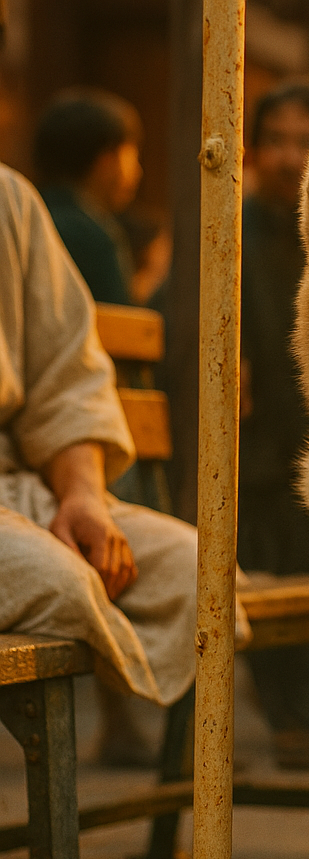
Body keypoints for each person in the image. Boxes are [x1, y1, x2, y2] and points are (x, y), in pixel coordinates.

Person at [0, 163, 238, 747]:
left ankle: (148, 763)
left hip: (20, 485)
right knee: (59, 580)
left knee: (200, 572)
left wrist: (83, 497)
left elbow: (66, 381)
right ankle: (115, 726)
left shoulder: (9, 197)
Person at [237, 80, 309, 771]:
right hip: (257, 446)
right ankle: (291, 714)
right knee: (269, 541)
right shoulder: (235, 226)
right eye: (272, 140)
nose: (286, 157)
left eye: (304, 141)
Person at [33, 88, 143, 306]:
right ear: (107, 159)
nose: (138, 170)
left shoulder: (28, 214)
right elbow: (120, 330)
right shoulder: (95, 239)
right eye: (133, 154)